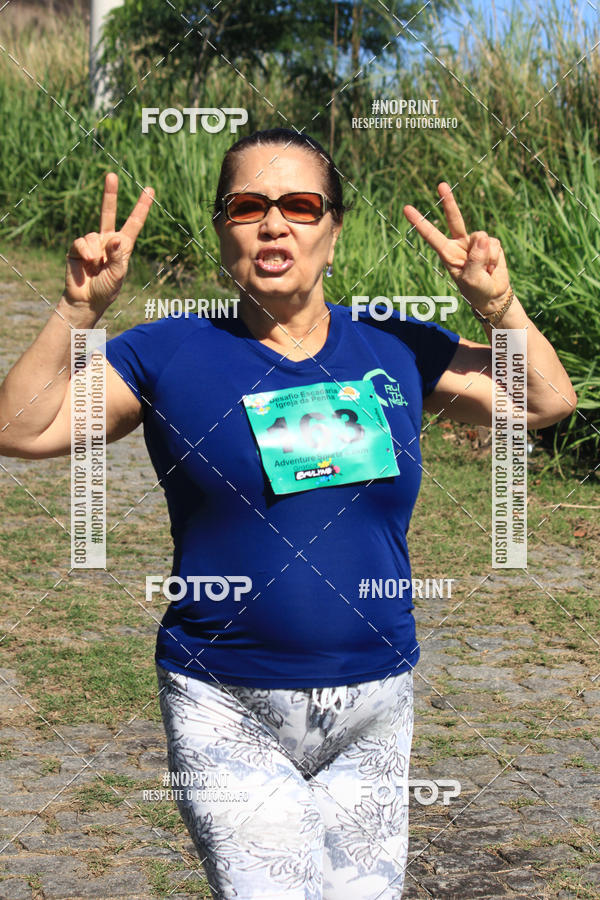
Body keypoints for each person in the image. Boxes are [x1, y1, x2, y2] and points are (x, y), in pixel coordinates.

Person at [0, 128, 576, 899]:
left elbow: (545, 400)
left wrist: (499, 306)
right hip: (224, 699)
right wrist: (76, 310)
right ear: (222, 231)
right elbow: (21, 429)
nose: (275, 224)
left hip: (374, 700)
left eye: (301, 205)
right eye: (249, 206)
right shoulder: (168, 352)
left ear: (333, 230)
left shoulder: (395, 343)